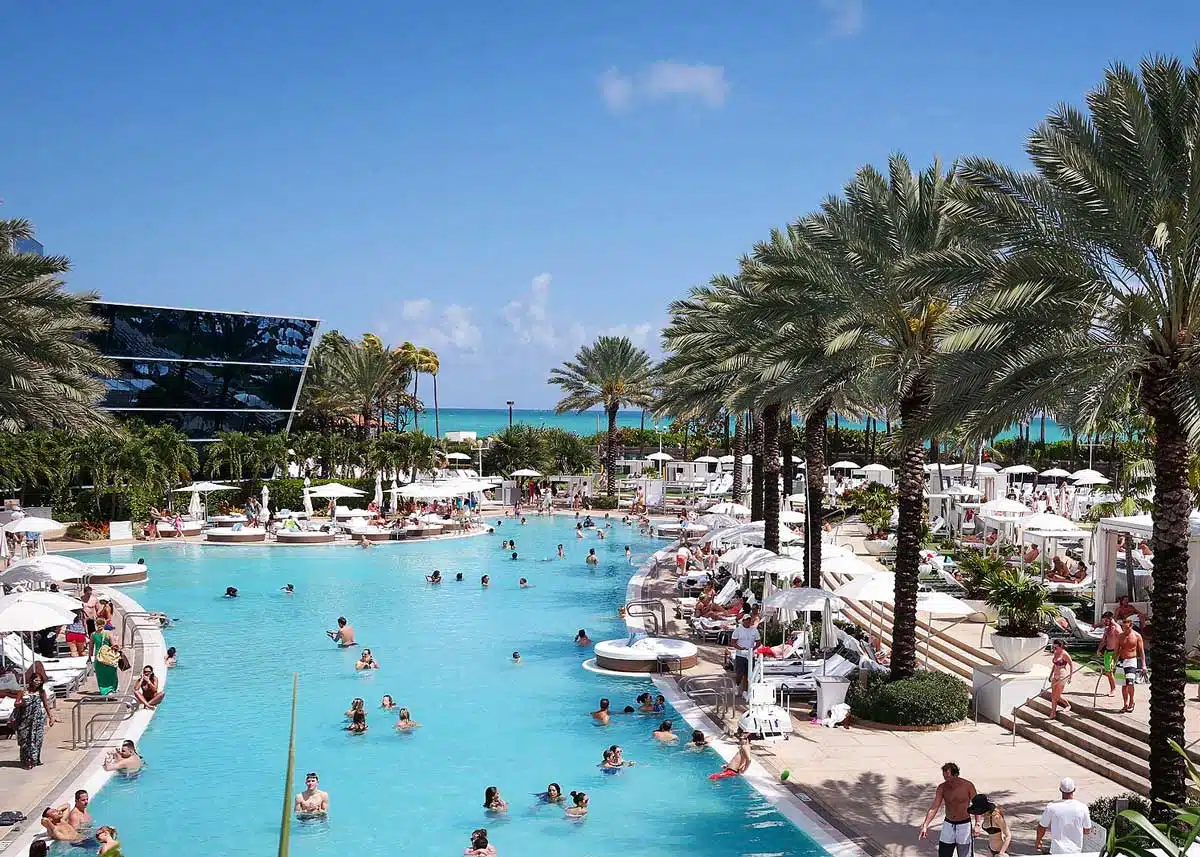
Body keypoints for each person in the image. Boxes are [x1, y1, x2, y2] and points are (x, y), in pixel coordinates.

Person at [919, 762, 978, 857]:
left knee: (965, 855)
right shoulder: (942, 788)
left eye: (949, 777)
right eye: (944, 777)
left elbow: (977, 805)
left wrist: (977, 824)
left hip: (964, 825)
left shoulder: (968, 786)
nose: (947, 780)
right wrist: (925, 825)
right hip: (948, 824)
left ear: (956, 775)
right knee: (944, 853)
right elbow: (934, 807)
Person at [1035, 778, 1092, 854]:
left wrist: (1038, 841)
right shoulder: (1082, 807)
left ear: (1060, 790)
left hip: (1057, 851)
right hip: (1075, 851)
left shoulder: (1051, 807)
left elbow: (1042, 827)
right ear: (1074, 789)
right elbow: (1087, 830)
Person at [16, 672, 54, 768]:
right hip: (24, 720)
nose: (38, 682)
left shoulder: (41, 692)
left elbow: (46, 705)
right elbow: (16, 703)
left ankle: (35, 759)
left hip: (37, 720)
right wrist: (22, 703)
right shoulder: (23, 691)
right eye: (36, 680)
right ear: (31, 680)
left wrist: (51, 717)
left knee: (37, 740)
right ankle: (26, 761)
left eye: (40, 681)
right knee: (24, 740)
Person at [1116, 616, 1146, 713]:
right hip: (1122, 661)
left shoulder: (1137, 636)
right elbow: (1116, 651)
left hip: (1131, 661)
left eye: (1127, 628)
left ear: (1131, 626)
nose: (1125, 629)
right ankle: (1125, 703)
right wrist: (1113, 661)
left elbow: (1141, 651)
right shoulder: (1120, 636)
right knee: (1123, 684)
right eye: (1124, 627)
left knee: (1130, 683)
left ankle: (1132, 701)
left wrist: (1143, 665)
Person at [731, 614, 760, 692]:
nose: (748, 621)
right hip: (740, 654)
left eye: (749, 620)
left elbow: (758, 642)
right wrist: (740, 648)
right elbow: (733, 642)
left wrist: (753, 648)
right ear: (743, 621)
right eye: (746, 620)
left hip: (750, 654)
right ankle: (737, 685)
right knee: (739, 673)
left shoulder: (754, 630)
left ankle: (745, 691)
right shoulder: (738, 630)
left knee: (748, 674)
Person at [1047, 640, 1075, 717]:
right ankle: (1054, 712)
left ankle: (1054, 712)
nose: (1054, 648)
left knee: (1057, 695)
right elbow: (1054, 665)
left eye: (1056, 647)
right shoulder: (1056, 653)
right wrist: (1050, 674)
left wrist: (1070, 677)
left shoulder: (1065, 654)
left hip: (1062, 675)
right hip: (1055, 674)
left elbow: (1071, 665)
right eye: (1054, 647)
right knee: (1054, 695)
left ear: (1060, 646)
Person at [1095, 612, 1119, 696]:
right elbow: (1103, 640)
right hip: (1107, 652)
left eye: (1106, 620)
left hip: (1114, 652)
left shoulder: (1116, 628)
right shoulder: (1107, 628)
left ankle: (1113, 689)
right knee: (1107, 672)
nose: (1104, 622)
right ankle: (1112, 688)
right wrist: (1099, 649)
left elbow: (1122, 639)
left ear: (1110, 619)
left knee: (1109, 671)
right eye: (1104, 620)